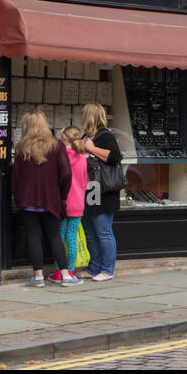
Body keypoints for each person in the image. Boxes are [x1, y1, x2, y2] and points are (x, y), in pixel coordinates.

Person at [11, 111, 81, 287]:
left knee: (34, 237)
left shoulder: (21, 147)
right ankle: (65, 276)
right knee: (55, 236)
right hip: (51, 199)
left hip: (27, 200)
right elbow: (66, 174)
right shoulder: (56, 145)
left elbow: (16, 177)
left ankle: (38, 277)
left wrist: (16, 196)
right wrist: (62, 196)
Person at [81, 102, 122, 281]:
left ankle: (107, 270)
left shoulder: (106, 136)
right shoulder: (87, 136)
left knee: (103, 231)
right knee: (90, 231)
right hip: (91, 189)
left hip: (104, 191)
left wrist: (91, 149)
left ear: (89, 116)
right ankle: (94, 267)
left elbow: (114, 157)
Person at [48, 126, 89, 282]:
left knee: (59, 238)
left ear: (64, 137)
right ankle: (70, 272)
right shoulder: (82, 158)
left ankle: (58, 272)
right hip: (78, 204)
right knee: (71, 238)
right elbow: (85, 183)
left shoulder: (60, 156)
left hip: (63, 204)